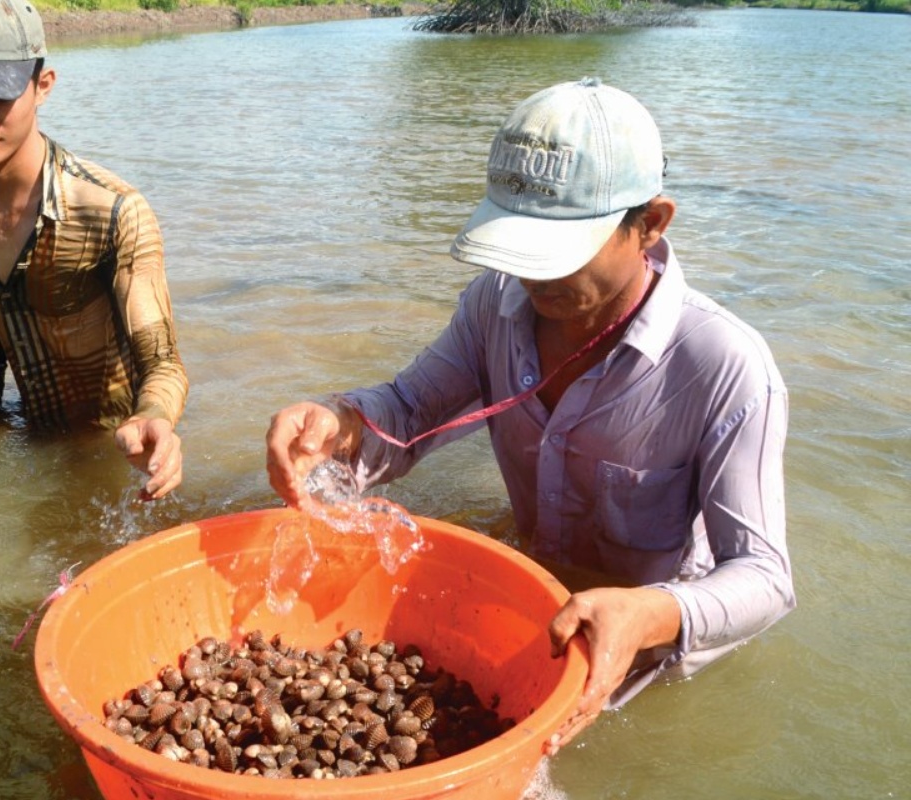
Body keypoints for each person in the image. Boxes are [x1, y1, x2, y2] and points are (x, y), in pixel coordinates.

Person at [265, 78, 795, 754]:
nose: (532, 275)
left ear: (651, 223)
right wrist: (334, 425)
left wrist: (649, 611)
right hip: (531, 595)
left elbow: (764, 577)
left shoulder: (725, 367)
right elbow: (406, 411)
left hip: (640, 650)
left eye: (561, 248)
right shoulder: (496, 304)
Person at [0, 0, 188, 499]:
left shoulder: (112, 210)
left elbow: (164, 363)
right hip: (32, 438)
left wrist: (155, 421)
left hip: (118, 448)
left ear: (43, 87)